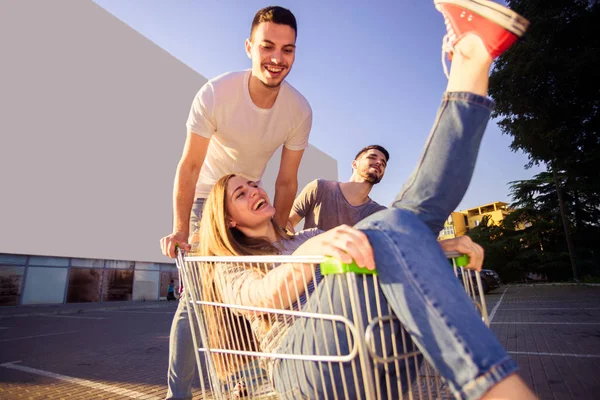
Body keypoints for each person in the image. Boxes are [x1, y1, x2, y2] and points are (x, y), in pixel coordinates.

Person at [194, 1, 536, 399]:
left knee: (407, 219)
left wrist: (434, 247)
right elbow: (258, 300)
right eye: (241, 192)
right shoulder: (232, 264)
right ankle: (497, 389)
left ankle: (472, 62)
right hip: (302, 369)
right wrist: (314, 254)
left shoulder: (305, 240)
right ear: (228, 220)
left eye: (253, 183)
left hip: (366, 348)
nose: (255, 189)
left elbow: (378, 250)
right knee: (393, 223)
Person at [160, 6, 312, 399]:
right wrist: (180, 227)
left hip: (249, 198)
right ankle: (178, 393)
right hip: (205, 202)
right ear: (249, 47)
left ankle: (249, 383)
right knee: (198, 297)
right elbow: (190, 165)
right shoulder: (217, 92)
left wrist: (279, 231)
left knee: (261, 293)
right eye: (267, 47)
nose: (277, 59)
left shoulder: (298, 110)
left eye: (288, 50)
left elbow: (286, 179)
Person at [289, 145, 389, 231]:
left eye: (383, 163)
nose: (379, 162)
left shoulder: (379, 213)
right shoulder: (320, 188)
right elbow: (287, 223)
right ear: (354, 164)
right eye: (372, 157)